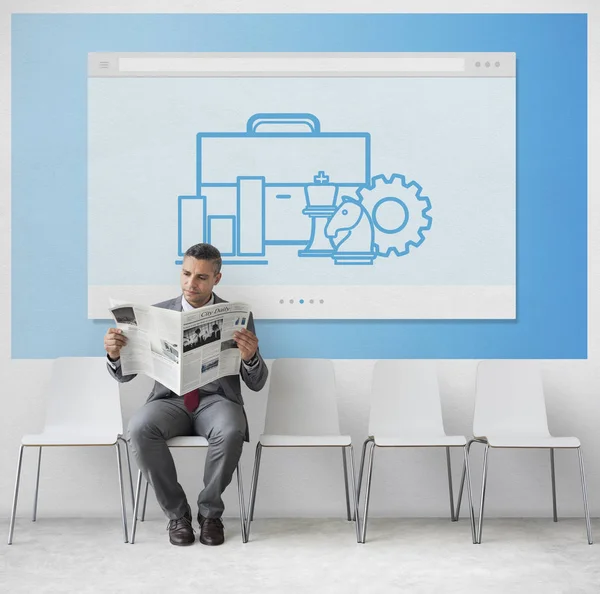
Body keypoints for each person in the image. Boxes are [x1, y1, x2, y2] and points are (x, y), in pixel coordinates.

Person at [104, 243, 268, 546]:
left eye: (202, 278)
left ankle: (210, 514)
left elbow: (257, 382)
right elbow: (124, 375)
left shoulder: (238, 315)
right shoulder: (156, 313)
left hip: (217, 400)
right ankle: (177, 516)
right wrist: (115, 355)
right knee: (139, 428)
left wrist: (250, 357)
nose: (191, 284)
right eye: (186, 274)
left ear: (216, 279)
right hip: (170, 400)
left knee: (232, 430)